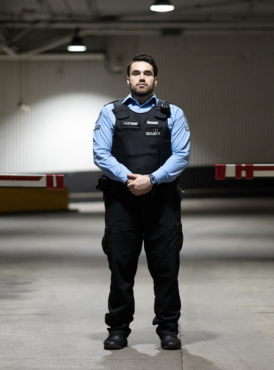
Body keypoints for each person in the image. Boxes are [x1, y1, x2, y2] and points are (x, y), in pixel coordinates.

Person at [93, 53, 191, 350]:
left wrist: (152, 180)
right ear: (128, 79)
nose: (141, 78)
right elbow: (101, 153)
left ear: (155, 79)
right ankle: (118, 329)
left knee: (166, 269)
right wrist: (129, 179)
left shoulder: (172, 113)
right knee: (121, 267)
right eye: (136, 73)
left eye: (147, 73)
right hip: (122, 203)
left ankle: (168, 328)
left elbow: (181, 155)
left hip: (163, 203)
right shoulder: (111, 112)